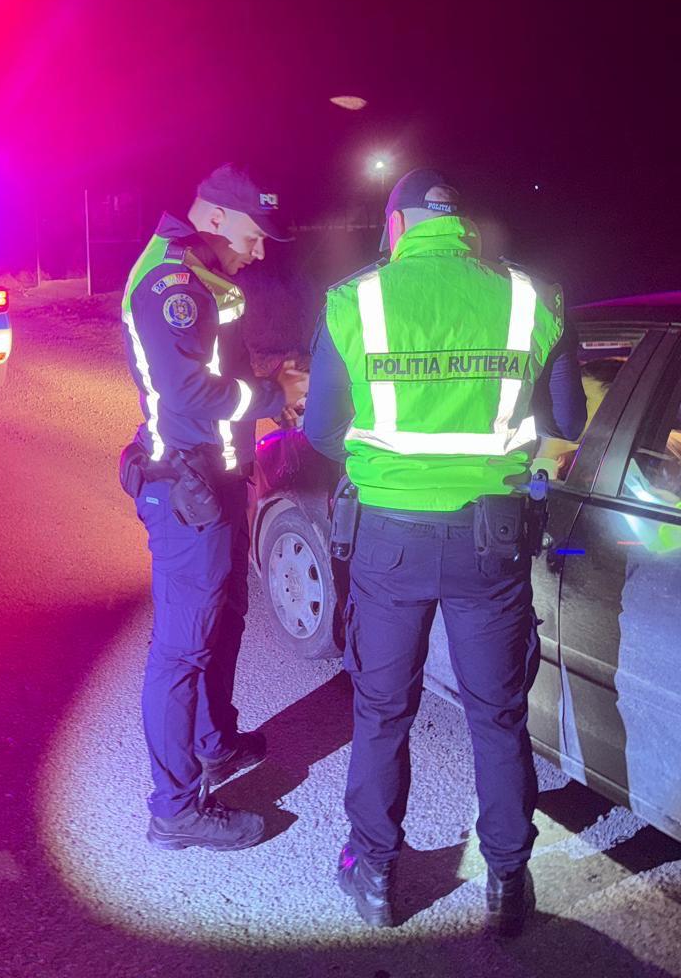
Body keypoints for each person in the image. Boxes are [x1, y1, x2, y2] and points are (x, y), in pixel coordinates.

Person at [302, 168, 585, 933]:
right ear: (466, 228)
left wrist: (386, 460)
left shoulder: (355, 301)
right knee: (497, 715)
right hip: (491, 541)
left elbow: (320, 428)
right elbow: (566, 423)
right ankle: (507, 882)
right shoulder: (531, 297)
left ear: (397, 227)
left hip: (390, 539)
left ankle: (374, 874)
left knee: (382, 709)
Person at [118, 163, 309, 851]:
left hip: (216, 480)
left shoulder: (204, 277)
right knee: (181, 651)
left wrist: (266, 377)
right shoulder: (171, 284)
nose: (259, 251)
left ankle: (214, 743)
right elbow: (190, 393)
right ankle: (174, 809)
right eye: (254, 235)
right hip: (185, 491)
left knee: (225, 621)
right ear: (216, 218)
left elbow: (216, 371)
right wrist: (273, 396)